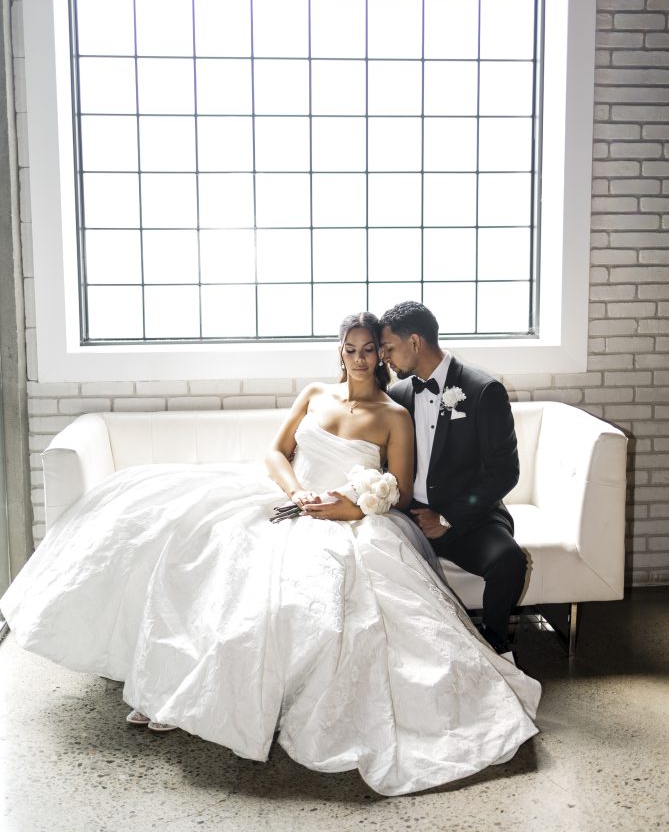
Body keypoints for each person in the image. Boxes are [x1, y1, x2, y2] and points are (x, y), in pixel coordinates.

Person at [0, 311, 539, 797]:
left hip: (348, 518)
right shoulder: (314, 394)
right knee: (200, 554)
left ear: (382, 354)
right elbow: (276, 454)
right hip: (289, 500)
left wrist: (350, 506)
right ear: (340, 352)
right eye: (350, 349)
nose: (360, 358)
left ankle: (206, 699)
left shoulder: (394, 412)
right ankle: (165, 688)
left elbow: (396, 488)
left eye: (371, 350)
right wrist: (297, 494)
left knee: (294, 596)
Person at [380, 301, 527, 660]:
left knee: (509, 560)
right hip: (409, 519)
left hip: (469, 520)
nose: (385, 357)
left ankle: (494, 648)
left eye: (388, 348)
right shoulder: (397, 395)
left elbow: (504, 471)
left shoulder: (483, 391)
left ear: (415, 341)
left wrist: (448, 518)